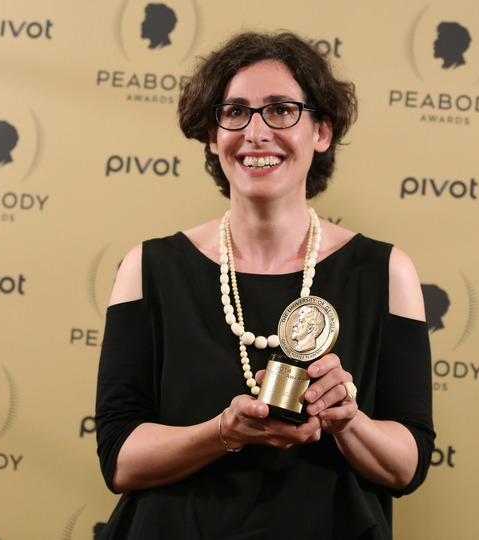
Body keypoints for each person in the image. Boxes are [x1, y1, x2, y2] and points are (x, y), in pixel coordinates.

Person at [95, 31, 435, 539]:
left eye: (281, 110)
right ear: (213, 136)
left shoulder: (387, 273)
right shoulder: (148, 267)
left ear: (322, 130)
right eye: (234, 112)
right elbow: (119, 460)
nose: (255, 132)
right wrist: (222, 433)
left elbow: (407, 466)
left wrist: (349, 422)